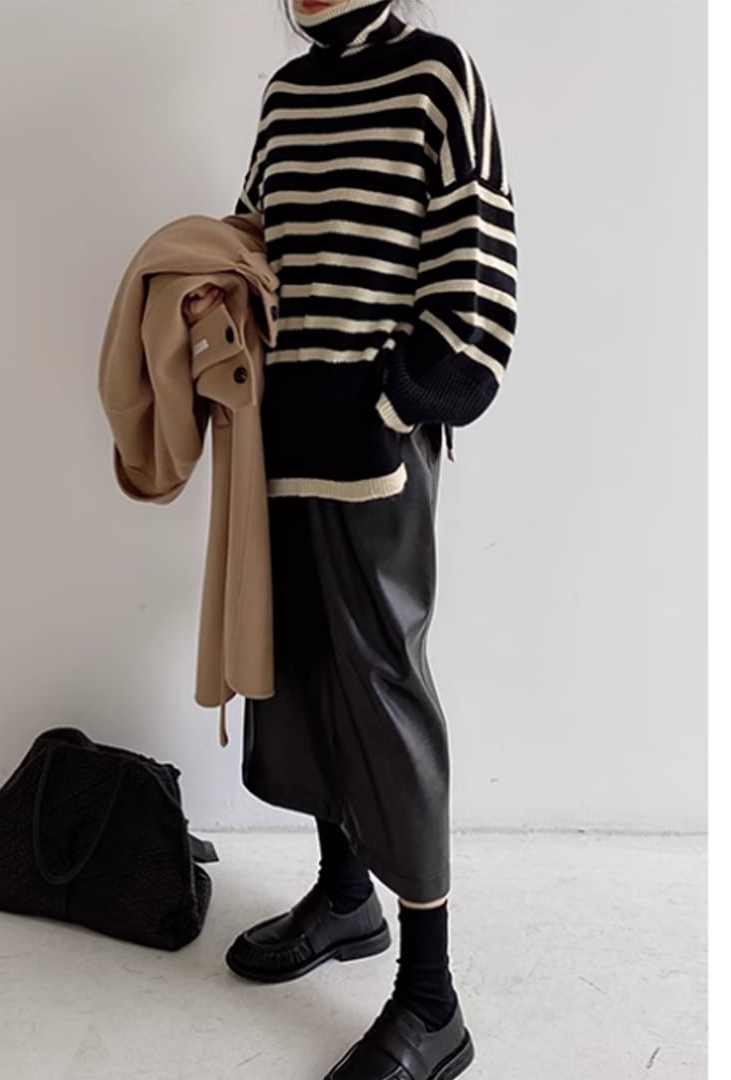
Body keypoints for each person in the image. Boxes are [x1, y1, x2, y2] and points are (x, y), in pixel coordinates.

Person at [185, 1, 518, 1076]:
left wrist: (402, 397)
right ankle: (343, 897)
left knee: (384, 691)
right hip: (275, 440)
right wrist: (203, 284)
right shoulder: (286, 98)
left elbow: (477, 264)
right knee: (301, 673)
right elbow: (257, 242)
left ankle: (432, 1001)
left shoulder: (437, 76)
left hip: (374, 453)